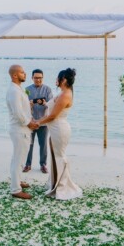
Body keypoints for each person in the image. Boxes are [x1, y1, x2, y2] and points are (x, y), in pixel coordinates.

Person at [35, 68, 82, 200]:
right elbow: (51, 111)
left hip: (59, 129)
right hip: (55, 129)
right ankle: (55, 182)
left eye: (58, 78)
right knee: (56, 156)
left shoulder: (65, 95)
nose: (56, 80)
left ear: (64, 80)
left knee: (59, 157)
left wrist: (38, 122)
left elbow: (53, 116)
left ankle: (62, 185)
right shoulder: (63, 93)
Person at [5, 64, 39, 199]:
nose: (24, 74)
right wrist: (29, 123)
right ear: (14, 75)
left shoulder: (18, 89)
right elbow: (18, 112)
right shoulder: (13, 90)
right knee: (18, 159)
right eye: (22, 72)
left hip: (22, 129)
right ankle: (15, 190)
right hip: (19, 129)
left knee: (20, 158)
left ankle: (17, 181)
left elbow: (22, 108)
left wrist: (30, 109)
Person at [24, 69, 53, 174]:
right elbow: (22, 106)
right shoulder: (27, 90)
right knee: (29, 144)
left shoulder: (47, 90)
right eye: (36, 78)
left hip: (43, 122)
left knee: (43, 145)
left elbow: (51, 106)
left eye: (40, 78)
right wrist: (30, 104)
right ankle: (27, 164)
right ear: (32, 78)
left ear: (42, 78)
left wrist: (44, 103)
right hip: (30, 122)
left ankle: (43, 165)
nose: (38, 80)